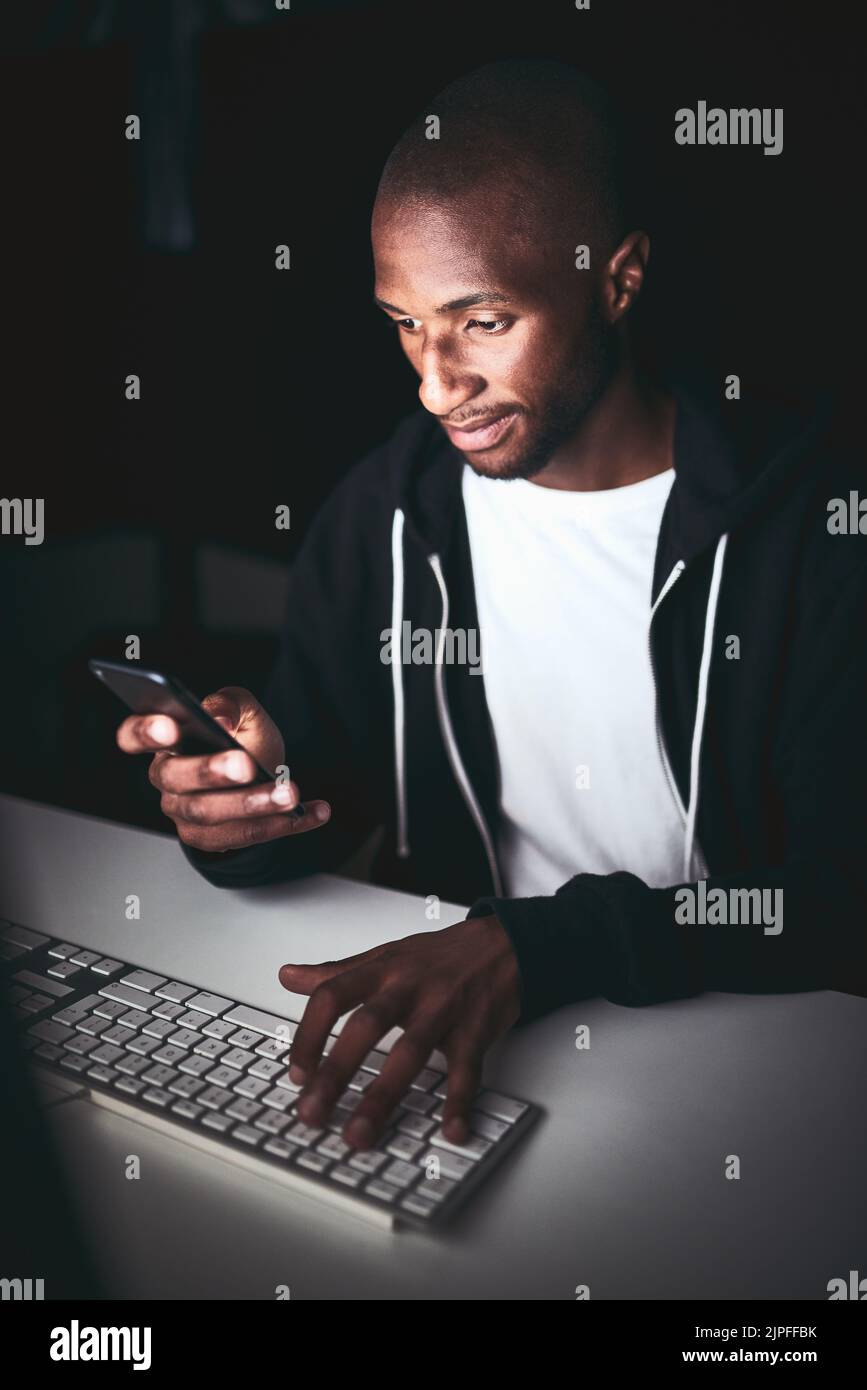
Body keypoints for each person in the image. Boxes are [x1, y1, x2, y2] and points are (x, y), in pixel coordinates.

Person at [115, 60, 865, 1153]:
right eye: (405, 324)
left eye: (484, 322)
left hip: (745, 1075)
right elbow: (322, 788)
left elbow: (838, 903)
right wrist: (243, 805)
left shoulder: (809, 528)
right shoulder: (389, 509)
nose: (434, 382)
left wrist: (544, 945)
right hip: (474, 1061)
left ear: (619, 279)